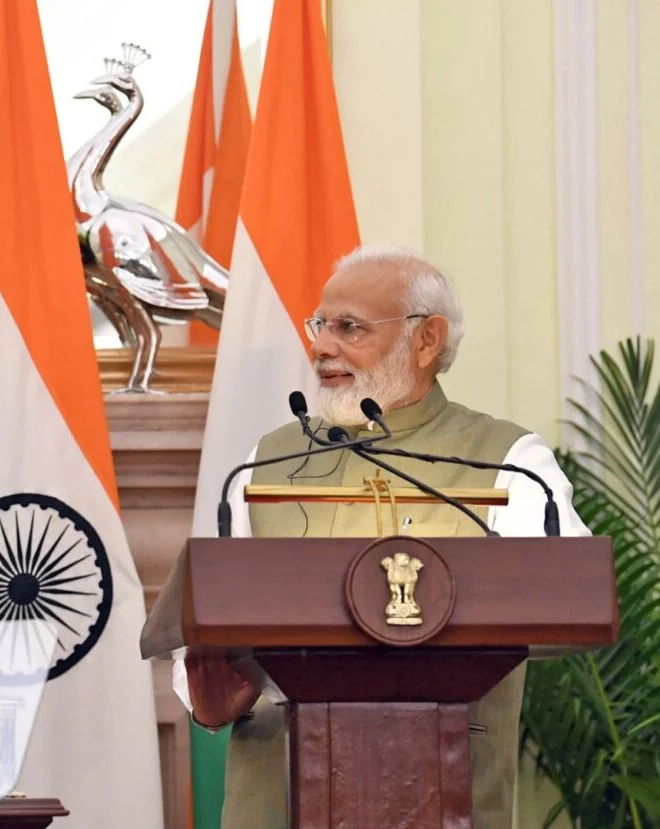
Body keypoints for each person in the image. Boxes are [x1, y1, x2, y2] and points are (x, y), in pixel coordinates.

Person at [171, 243, 589, 828]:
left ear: (427, 339)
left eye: (350, 327)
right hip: (278, 793)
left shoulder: (507, 462)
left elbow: (563, 598)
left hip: (442, 788)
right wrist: (210, 690)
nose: (321, 347)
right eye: (320, 325)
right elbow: (203, 650)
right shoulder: (265, 463)